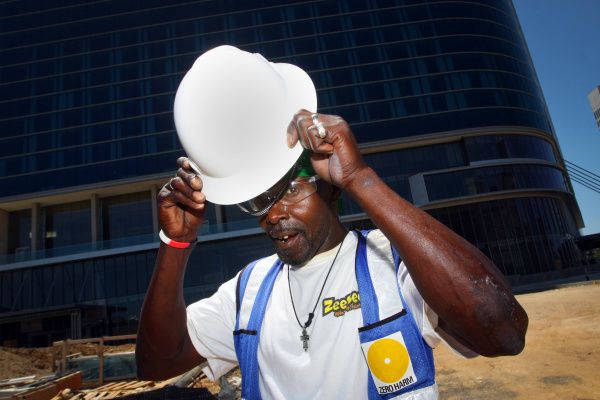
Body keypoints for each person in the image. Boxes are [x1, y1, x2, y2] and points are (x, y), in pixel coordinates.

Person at [136, 110, 528, 399]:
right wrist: (176, 244)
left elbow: (502, 331)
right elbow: (157, 362)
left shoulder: (392, 262)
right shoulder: (249, 288)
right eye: (261, 200)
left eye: (290, 190)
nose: (273, 215)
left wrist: (360, 177)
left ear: (331, 189)